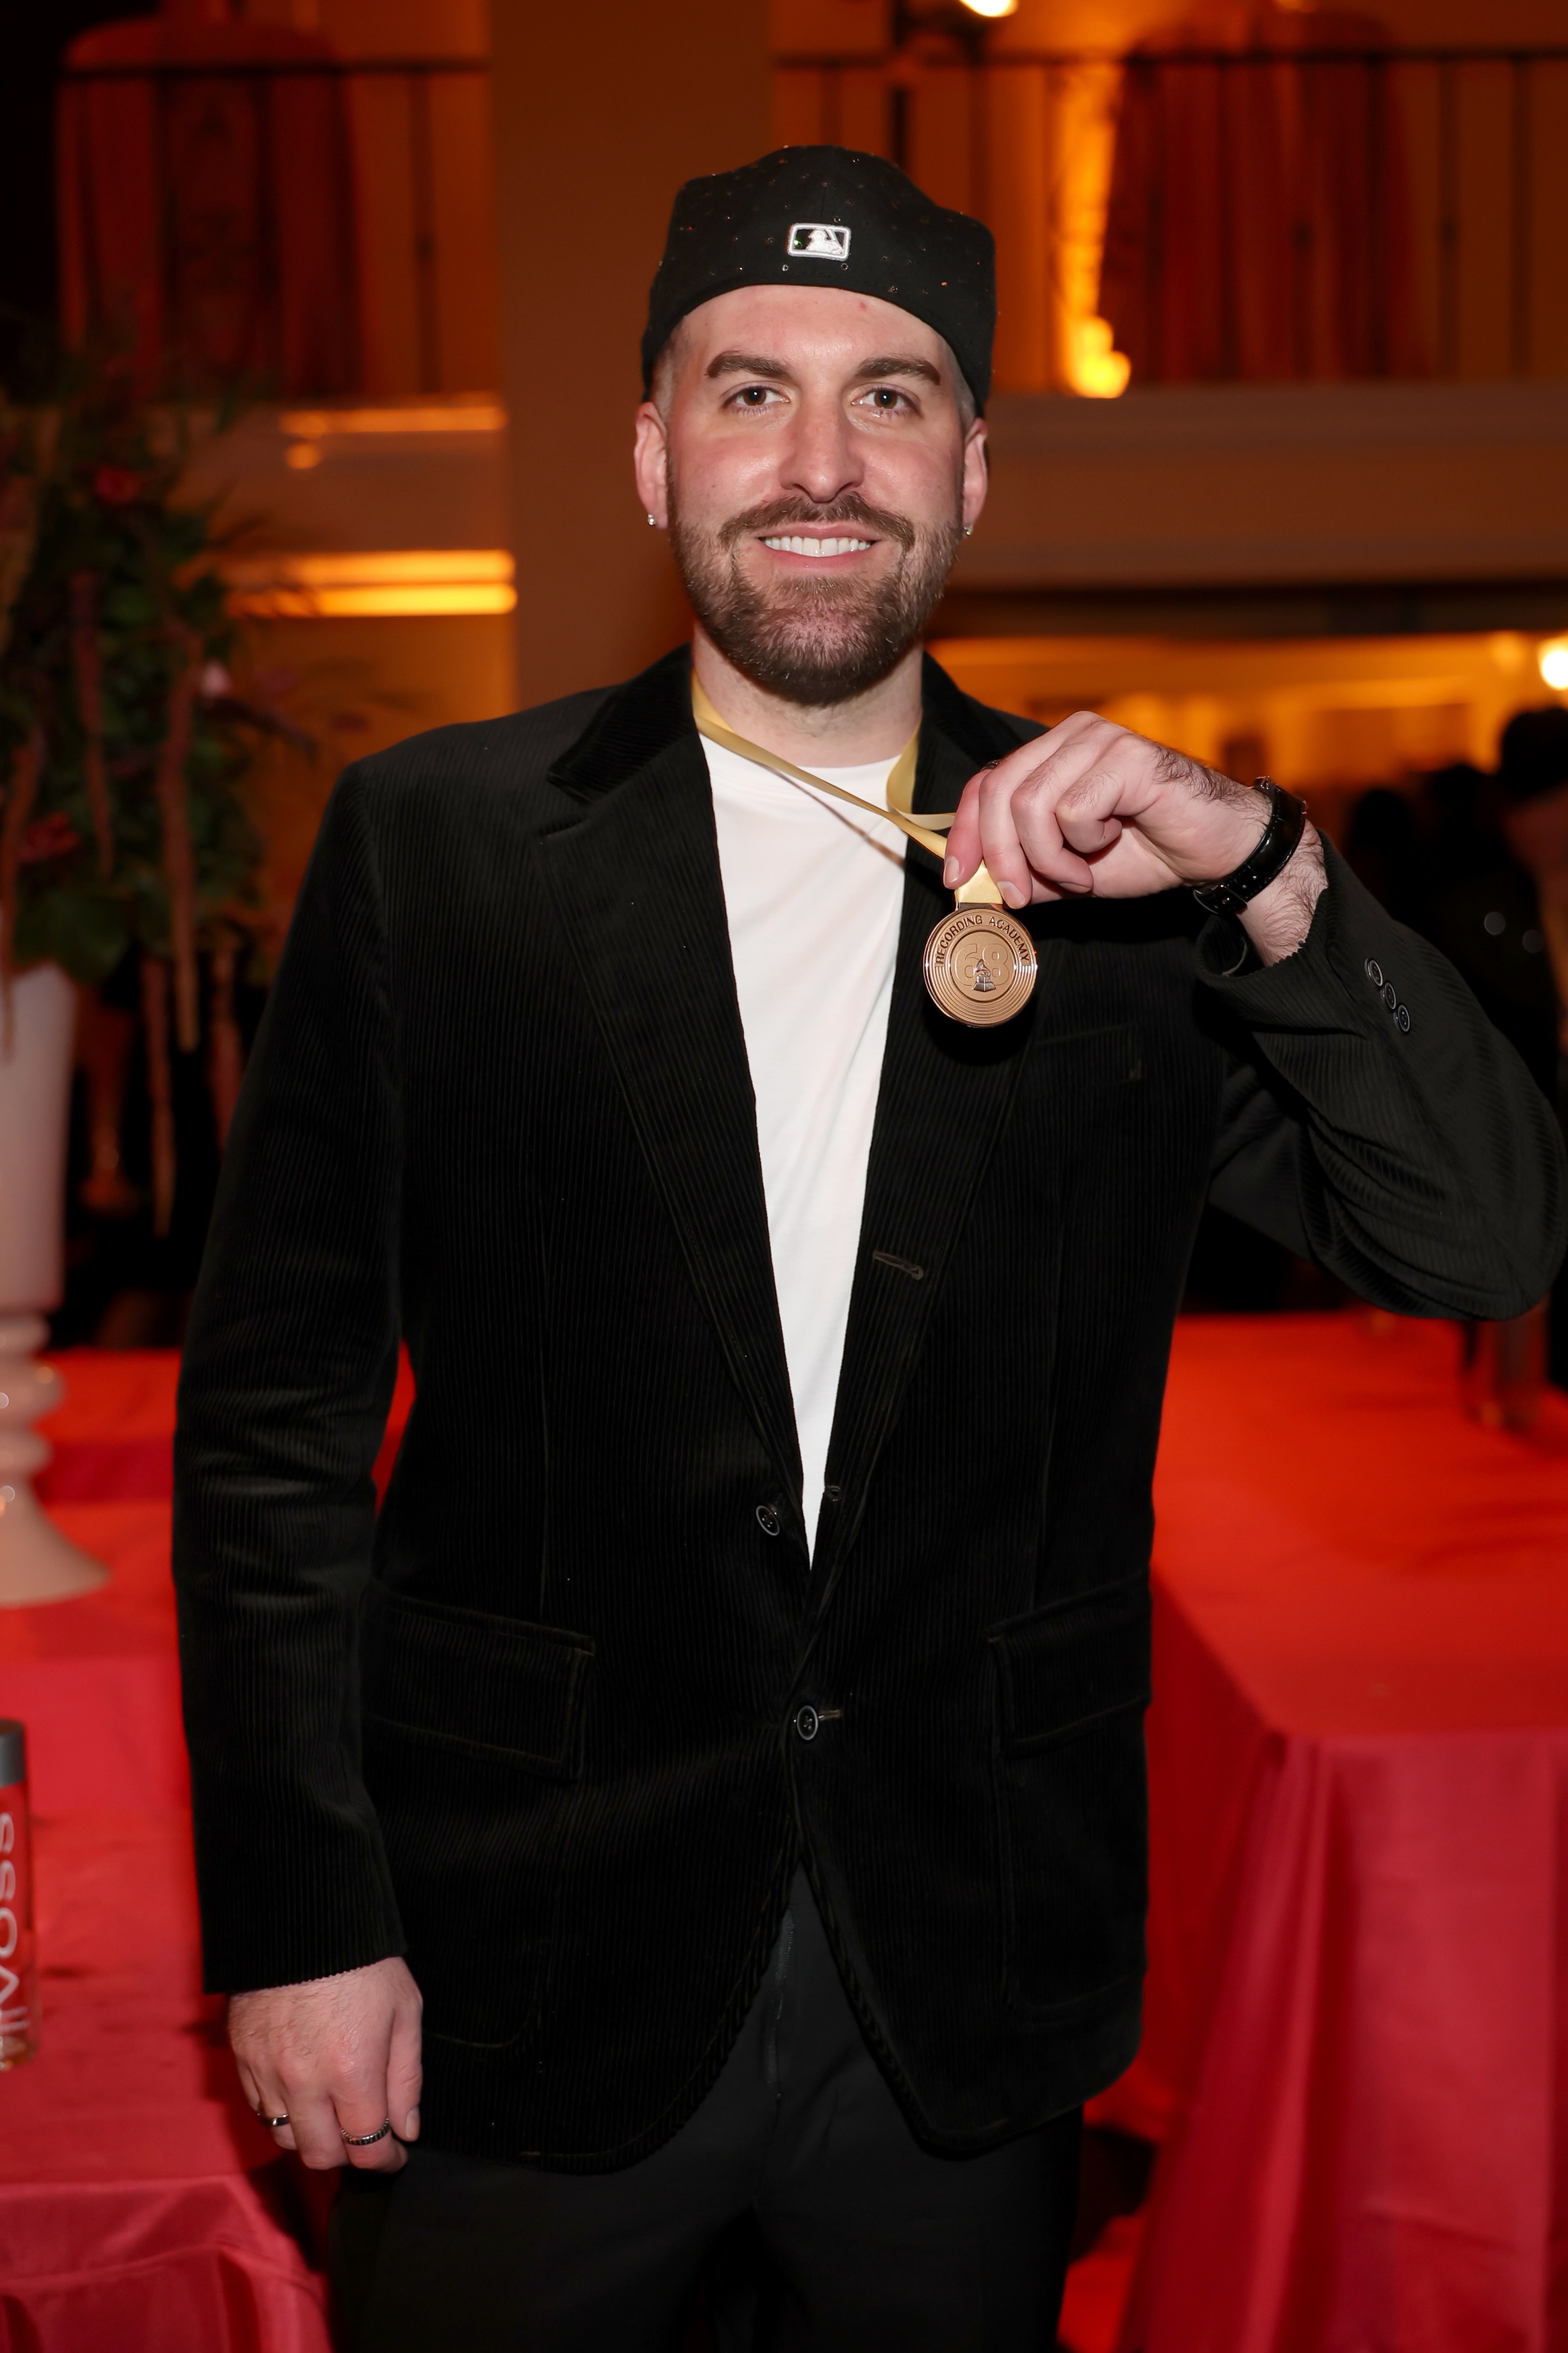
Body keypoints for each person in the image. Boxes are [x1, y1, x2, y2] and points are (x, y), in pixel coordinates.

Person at [172, 147, 1566, 2350]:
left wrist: (1269, 873)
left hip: (960, 1975)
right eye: (751, 390)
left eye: (892, 396)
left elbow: (1485, 1239)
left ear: (977, 467)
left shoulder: (1121, 878)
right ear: (653, 454)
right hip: (515, 1962)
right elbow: (271, 1430)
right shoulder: (438, 850)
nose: (821, 463)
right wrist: (297, 1918)